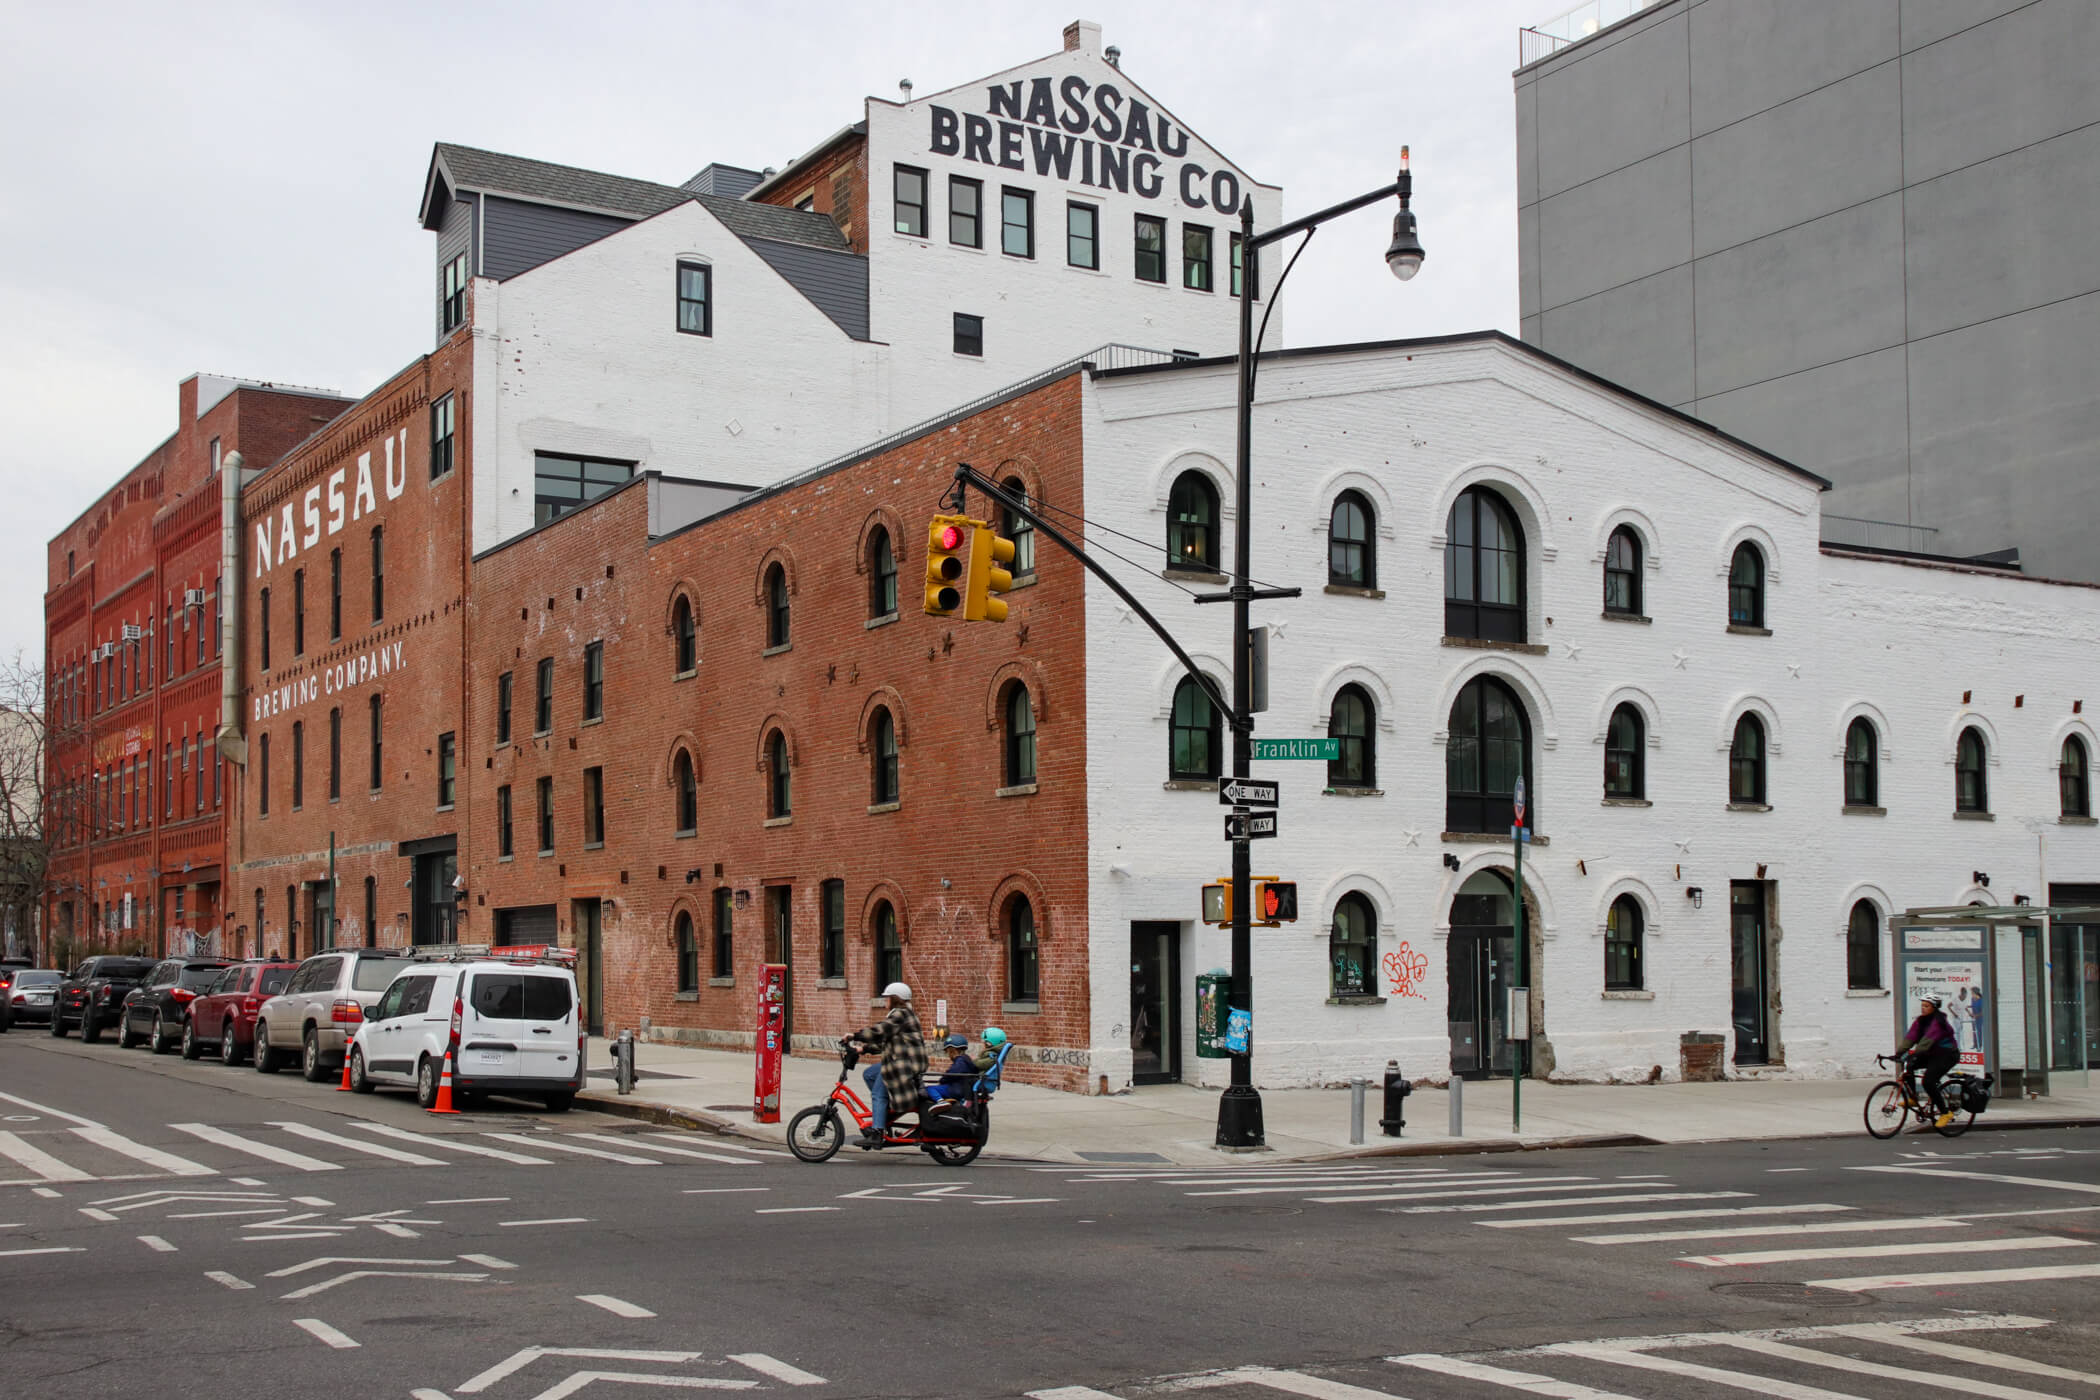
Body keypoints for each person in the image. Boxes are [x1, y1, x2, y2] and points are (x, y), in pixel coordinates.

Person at [847, 981, 927, 1148]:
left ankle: (877, 1132)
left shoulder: (900, 1014)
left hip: (905, 1065)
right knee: (869, 1074)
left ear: (894, 999)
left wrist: (855, 1036)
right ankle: (885, 1114)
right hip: (902, 1061)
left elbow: (880, 1031)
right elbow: (888, 1042)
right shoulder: (904, 1014)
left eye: (886, 998)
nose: (884, 1002)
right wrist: (863, 1049)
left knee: (878, 1093)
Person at [1897, 994, 1962, 1128]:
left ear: (1934, 1007)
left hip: (1947, 1055)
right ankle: (1913, 1099)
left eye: (1926, 1006)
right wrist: (1898, 1053)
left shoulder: (1938, 1022)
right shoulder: (1921, 1021)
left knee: (1928, 1082)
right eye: (1922, 1005)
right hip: (1932, 1054)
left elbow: (1926, 1042)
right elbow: (1910, 1038)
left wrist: (1914, 1054)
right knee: (1908, 1065)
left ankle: (1945, 1113)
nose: (1923, 1008)